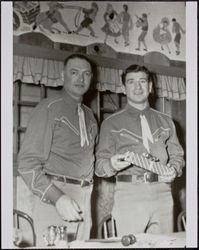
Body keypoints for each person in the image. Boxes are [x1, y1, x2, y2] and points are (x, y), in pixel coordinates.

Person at [18, 54, 98, 246]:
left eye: (86, 74)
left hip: (85, 197)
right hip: (55, 199)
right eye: (74, 72)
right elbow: (27, 163)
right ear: (63, 76)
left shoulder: (90, 115)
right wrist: (57, 198)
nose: (81, 79)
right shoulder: (48, 108)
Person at [95, 64, 185, 236]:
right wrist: (112, 165)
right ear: (124, 88)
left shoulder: (167, 121)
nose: (137, 87)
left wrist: (174, 168)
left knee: (166, 244)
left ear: (150, 87)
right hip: (129, 194)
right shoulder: (110, 123)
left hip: (163, 192)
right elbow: (100, 166)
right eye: (131, 82)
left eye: (142, 81)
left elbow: (177, 155)